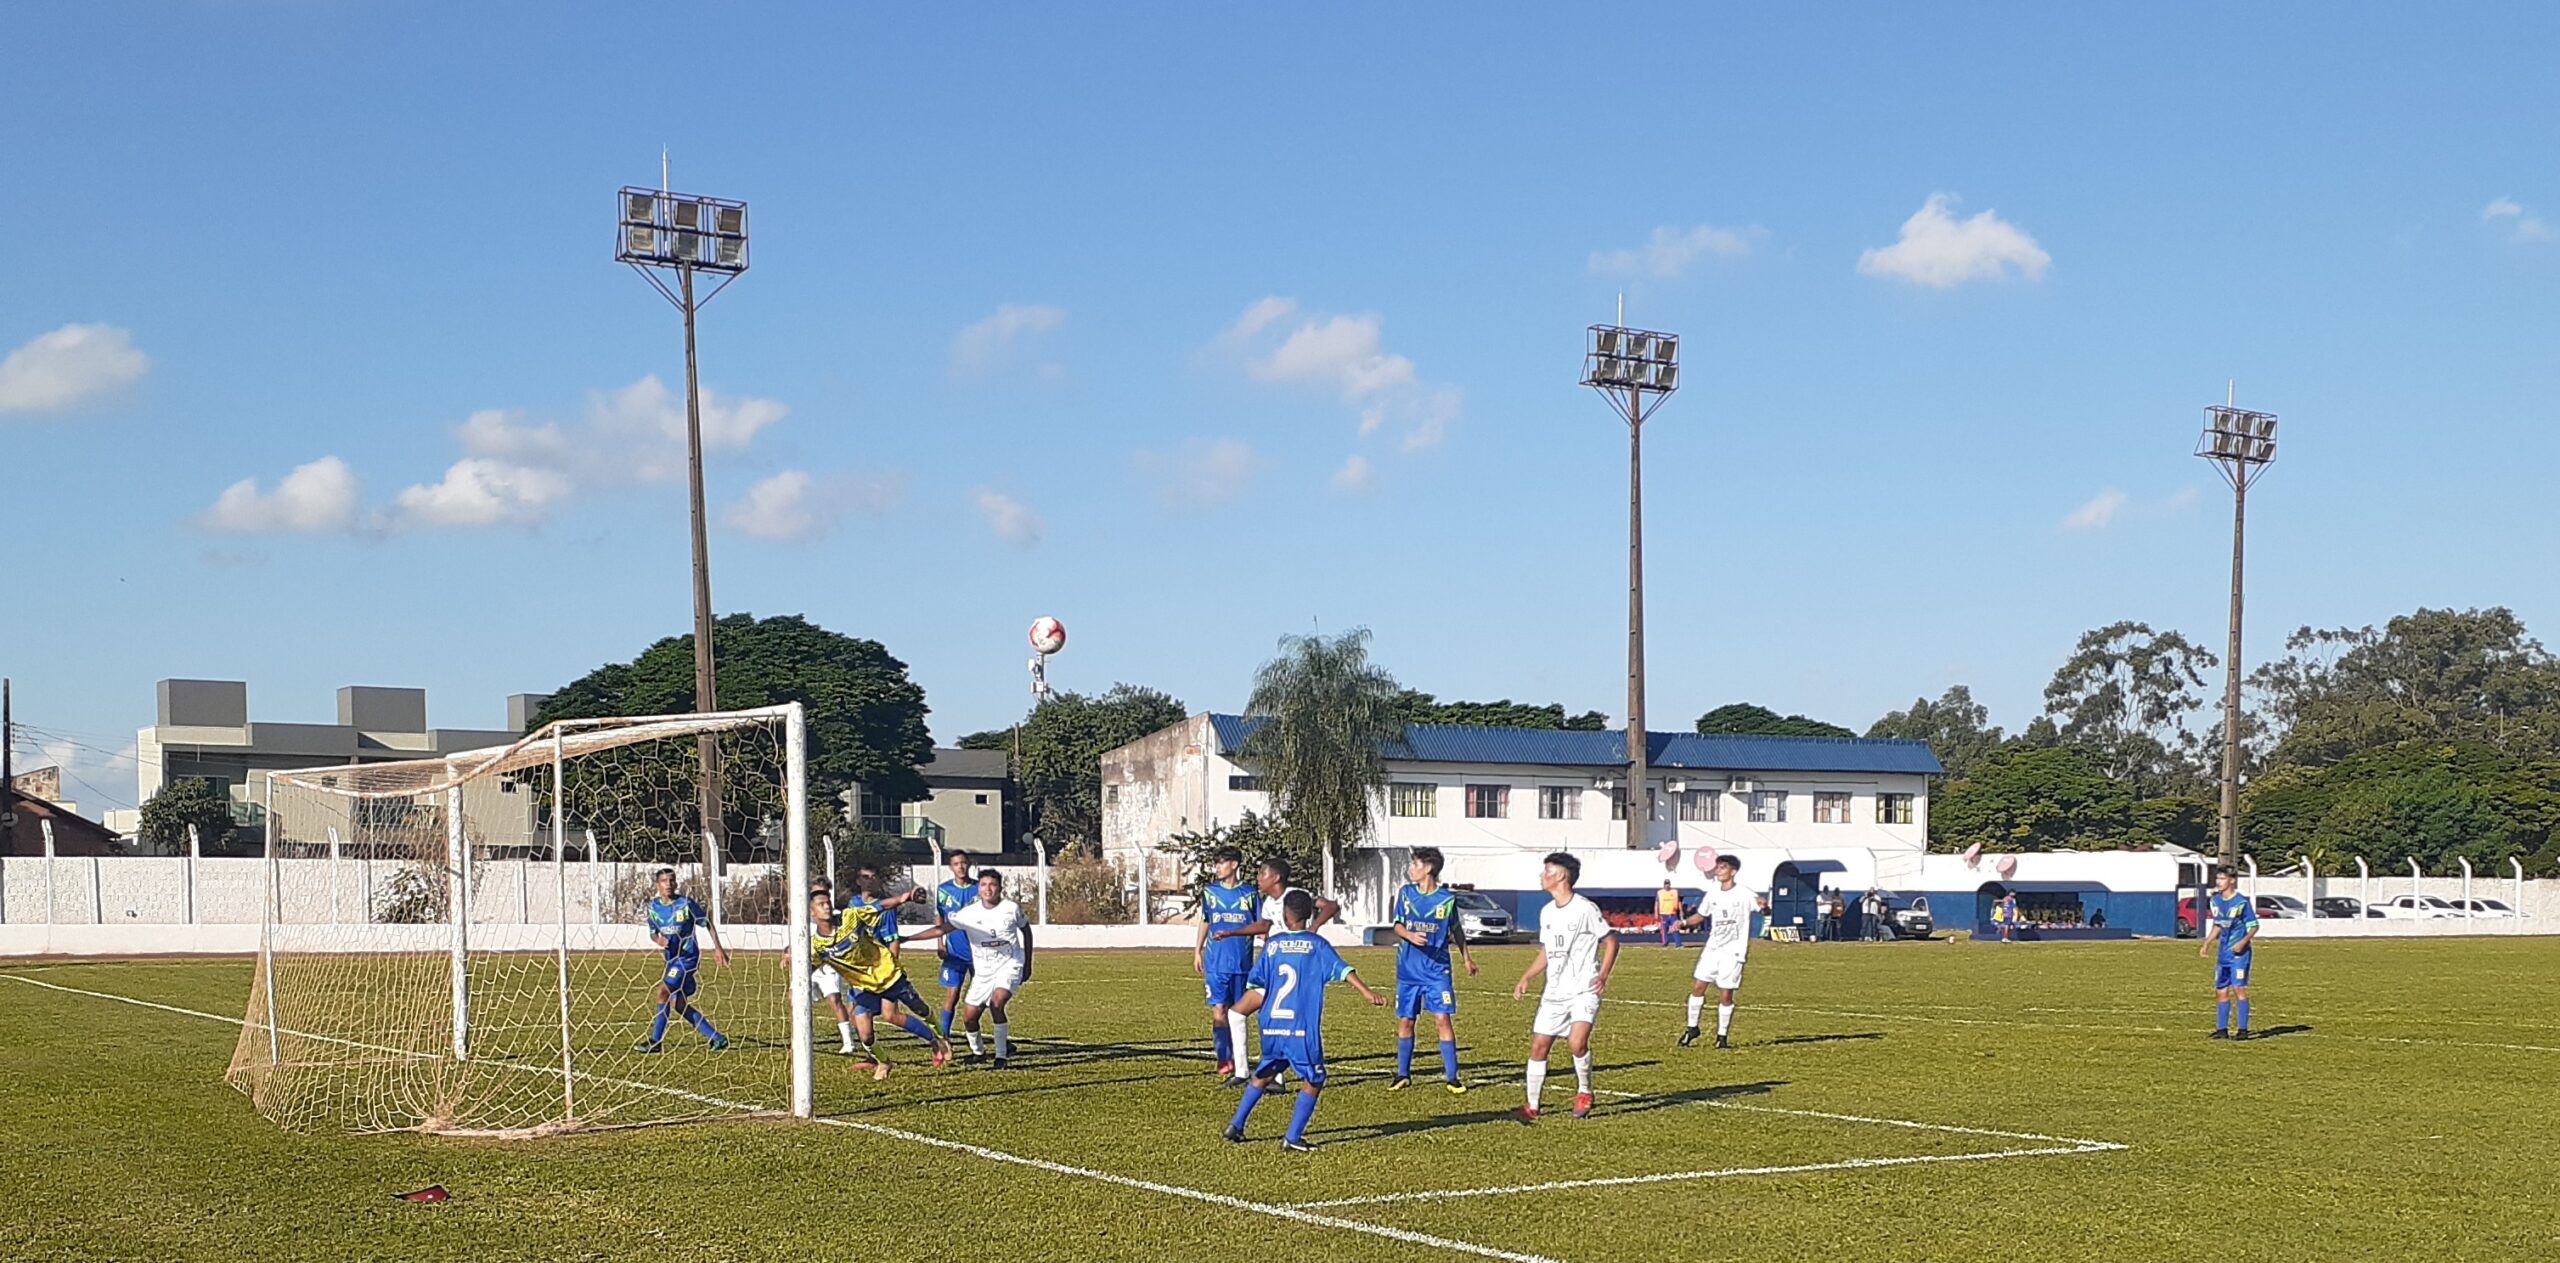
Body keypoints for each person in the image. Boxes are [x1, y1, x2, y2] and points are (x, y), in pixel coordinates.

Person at [1223, 889, 1384, 1152]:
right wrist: (1366, 992)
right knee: (1315, 1079)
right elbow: (1342, 969)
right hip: (1300, 1030)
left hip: (1271, 1027)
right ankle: (1292, 1137)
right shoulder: (1316, 945)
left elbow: (1256, 983)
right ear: (1308, 916)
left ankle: (1236, 1125)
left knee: (1264, 1073)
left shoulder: (1273, 945)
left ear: (1285, 916)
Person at [1512, 852, 1618, 1122]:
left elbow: (1611, 941)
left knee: (1576, 1042)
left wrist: (1602, 974)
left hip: (1584, 988)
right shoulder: (1547, 911)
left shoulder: (1584, 908)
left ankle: (1585, 1091)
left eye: (1547, 871)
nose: (1542, 876)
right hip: (1555, 992)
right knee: (1538, 1047)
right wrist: (1526, 977)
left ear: (1561, 876)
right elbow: (1547, 951)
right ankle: (1532, 1105)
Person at [806, 889, 951, 1078]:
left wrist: (904, 897)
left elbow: (879, 906)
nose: (826, 906)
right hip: (863, 987)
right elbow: (810, 966)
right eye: (820, 904)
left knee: (919, 1008)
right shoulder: (816, 945)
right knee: (865, 1034)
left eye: (828, 902)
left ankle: (940, 1036)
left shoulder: (850, 917)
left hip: (887, 974)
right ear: (811, 912)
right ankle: (884, 1062)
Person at [1387, 847, 1477, 1094]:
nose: (1410, 869)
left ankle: (1452, 1077)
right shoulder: (1406, 894)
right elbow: (1396, 925)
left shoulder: (1446, 900)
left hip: (1437, 971)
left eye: (1414, 865)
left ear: (1428, 869)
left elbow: (1456, 929)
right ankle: (1403, 1074)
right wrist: (1408, 935)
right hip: (1408, 970)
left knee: (1442, 1018)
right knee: (1407, 1020)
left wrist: (1466, 959)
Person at [835, 867, 938, 1062]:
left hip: (881, 970)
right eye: (865, 877)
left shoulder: (885, 909)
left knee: (891, 1015)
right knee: (856, 1014)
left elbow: (893, 940)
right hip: (861, 969)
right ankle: (873, 1057)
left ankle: (934, 1038)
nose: (870, 881)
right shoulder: (853, 904)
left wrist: (891, 970)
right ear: (858, 881)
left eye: (874, 877)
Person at [1678, 854, 1767, 1049]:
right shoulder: (1712, 893)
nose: (1718, 870)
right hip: (1713, 948)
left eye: (1723, 867)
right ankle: (1692, 1028)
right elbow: (1701, 916)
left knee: (1725, 994)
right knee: (1698, 987)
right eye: (1718, 867)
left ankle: (1722, 1036)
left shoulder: (1744, 893)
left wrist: (1764, 906)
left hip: (1733, 951)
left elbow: (1764, 910)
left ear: (1733, 871)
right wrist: (1683, 922)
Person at [946, 869, 1034, 1068]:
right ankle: (978, 1053)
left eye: (992, 885)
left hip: (1009, 964)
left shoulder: (1011, 908)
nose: (988, 889)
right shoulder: (969, 913)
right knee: (969, 1017)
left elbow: (1026, 930)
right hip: (983, 971)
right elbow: (943, 928)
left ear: (1000, 888)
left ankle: (1001, 1056)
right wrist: (909, 938)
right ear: (978, 888)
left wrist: (1027, 962)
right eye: (984, 884)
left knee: (997, 1003)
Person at [638, 867, 731, 1053]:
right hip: (671, 960)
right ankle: (718, 1038)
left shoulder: (685, 904)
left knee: (662, 992)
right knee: (678, 1004)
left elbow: (707, 923)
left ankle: (655, 1042)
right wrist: (659, 940)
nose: (669, 884)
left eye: (672, 880)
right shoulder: (653, 907)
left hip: (687, 958)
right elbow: (653, 933)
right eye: (664, 881)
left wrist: (718, 948)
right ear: (657, 885)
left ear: (676, 883)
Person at [1193, 846, 1260, 1078]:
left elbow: (1260, 925)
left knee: (1239, 1013)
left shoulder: (1250, 893)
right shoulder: (1210, 892)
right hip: (1216, 963)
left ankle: (1240, 1059)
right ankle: (1224, 1059)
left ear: (1234, 865)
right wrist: (1197, 950)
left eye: (1221, 863)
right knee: (1219, 1009)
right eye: (1216, 863)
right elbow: (1205, 920)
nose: (1217, 868)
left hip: (1242, 964)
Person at [2201, 866, 2259, 1040]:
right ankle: (2222, 1030)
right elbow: (2218, 924)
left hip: (2239, 955)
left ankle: (2242, 1030)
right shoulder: (2216, 900)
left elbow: (2254, 926)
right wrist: (2207, 943)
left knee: (2238, 988)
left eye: (2222, 878)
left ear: (2232, 880)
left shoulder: (2241, 902)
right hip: (2223, 954)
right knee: (2221, 990)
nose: (2218, 882)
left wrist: (2243, 942)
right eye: (2217, 879)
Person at [932, 850, 978, 1053]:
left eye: (964, 863)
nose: (961, 867)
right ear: (951, 867)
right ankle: (945, 1037)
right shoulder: (944, 890)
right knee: (953, 994)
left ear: (969, 865)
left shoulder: (979, 888)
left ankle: (991, 1037)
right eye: (956, 863)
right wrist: (939, 943)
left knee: (984, 998)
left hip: (979, 952)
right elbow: (939, 917)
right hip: (955, 953)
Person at [1655, 881, 1684, 948]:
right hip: (1663, 914)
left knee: (1675, 929)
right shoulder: (1660, 893)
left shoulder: (1674, 892)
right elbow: (1657, 903)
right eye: (1666, 884)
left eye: (1668, 884)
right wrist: (1656, 913)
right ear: (1664, 885)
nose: (1667, 886)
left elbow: (1678, 902)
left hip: (1673, 913)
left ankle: (1678, 944)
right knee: (1664, 930)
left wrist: (1681, 911)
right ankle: (1665, 943)